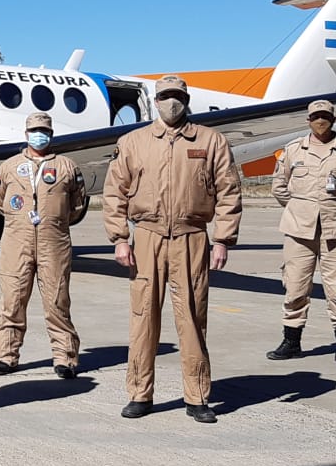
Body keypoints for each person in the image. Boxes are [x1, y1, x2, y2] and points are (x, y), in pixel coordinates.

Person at [103, 75, 241, 424]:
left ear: (187, 99)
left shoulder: (211, 141)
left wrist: (222, 239)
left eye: (177, 96)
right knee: (143, 318)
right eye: (165, 96)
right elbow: (114, 193)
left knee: (193, 317)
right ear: (156, 100)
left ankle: (196, 396)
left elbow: (228, 192)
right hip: (146, 236)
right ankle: (139, 392)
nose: (171, 102)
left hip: (192, 236)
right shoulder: (133, 142)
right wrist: (120, 238)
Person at [0, 112, 87, 379]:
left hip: (53, 242)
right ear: (26, 134)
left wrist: (54, 221)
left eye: (44, 130)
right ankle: (7, 356)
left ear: (51, 133)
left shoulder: (67, 166)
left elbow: (77, 205)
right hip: (16, 241)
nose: (39, 134)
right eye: (34, 130)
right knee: (12, 298)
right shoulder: (9, 166)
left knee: (57, 300)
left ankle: (65, 357)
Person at [267, 99, 336, 362]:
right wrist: (299, 209)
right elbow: (279, 187)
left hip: (334, 230)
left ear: (333, 119)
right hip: (299, 231)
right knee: (295, 287)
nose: (321, 121)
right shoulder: (295, 150)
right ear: (308, 120)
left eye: (325, 116)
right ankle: (291, 341)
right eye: (316, 116)